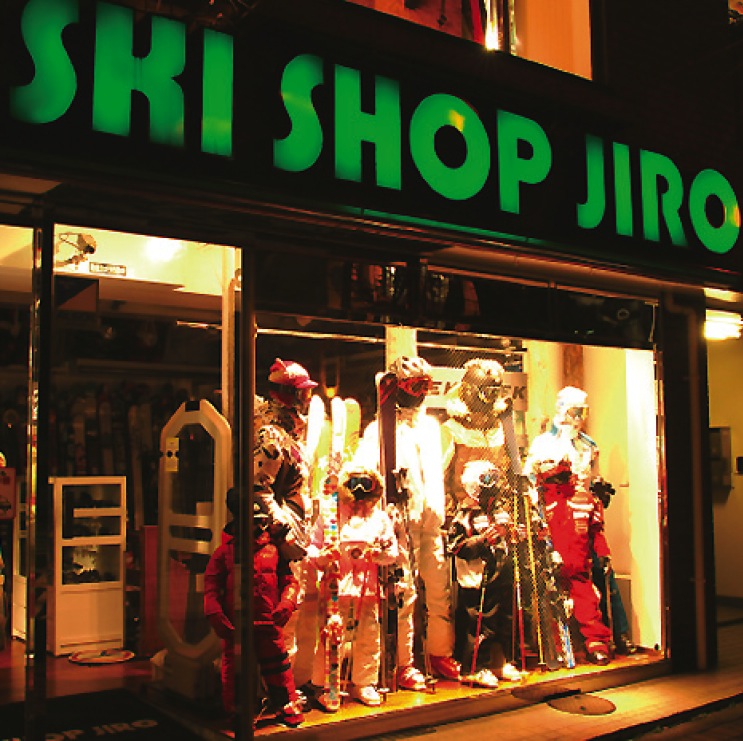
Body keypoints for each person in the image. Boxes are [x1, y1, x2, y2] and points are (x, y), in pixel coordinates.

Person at [354, 355, 460, 690]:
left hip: (432, 521)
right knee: (405, 595)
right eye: (415, 386)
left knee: (439, 591)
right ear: (398, 387)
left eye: (426, 386)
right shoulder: (379, 430)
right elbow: (364, 474)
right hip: (401, 524)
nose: (422, 393)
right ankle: (404, 662)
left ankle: (440, 652)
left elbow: (438, 471)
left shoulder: (431, 428)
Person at [523, 386, 613, 666]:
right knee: (550, 580)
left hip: (581, 516)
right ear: (562, 410)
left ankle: (596, 638)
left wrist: (596, 500)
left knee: (582, 578)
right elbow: (528, 479)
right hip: (551, 515)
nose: (579, 418)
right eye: (575, 411)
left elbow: (591, 483)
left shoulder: (588, 445)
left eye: (583, 412)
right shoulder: (543, 444)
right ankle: (551, 640)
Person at [203, 488, 303, 727]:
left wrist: (287, 603)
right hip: (236, 623)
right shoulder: (225, 553)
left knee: (278, 664)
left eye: (260, 521)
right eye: (252, 521)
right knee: (236, 669)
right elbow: (211, 586)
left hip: (268, 621)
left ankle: (285, 703)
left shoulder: (274, 550)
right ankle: (238, 709)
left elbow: (289, 581)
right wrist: (215, 613)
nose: (257, 527)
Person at [306, 465, 398, 708]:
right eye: (355, 483)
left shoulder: (379, 518)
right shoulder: (330, 516)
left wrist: (378, 554)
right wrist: (323, 556)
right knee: (332, 635)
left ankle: (364, 683)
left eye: (366, 484)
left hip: (367, 588)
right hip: (336, 587)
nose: (359, 490)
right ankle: (327, 685)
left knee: (368, 636)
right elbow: (312, 548)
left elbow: (392, 551)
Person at [447, 460, 522, 688]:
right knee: (480, 624)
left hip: (502, 575)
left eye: (495, 479)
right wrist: (482, 540)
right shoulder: (465, 515)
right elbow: (456, 547)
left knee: (503, 622)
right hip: (477, 579)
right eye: (488, 479)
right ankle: (474, 668)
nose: (494, 485)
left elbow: (509, 538)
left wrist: (514, 535)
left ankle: (498, 662)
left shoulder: (500, 512)